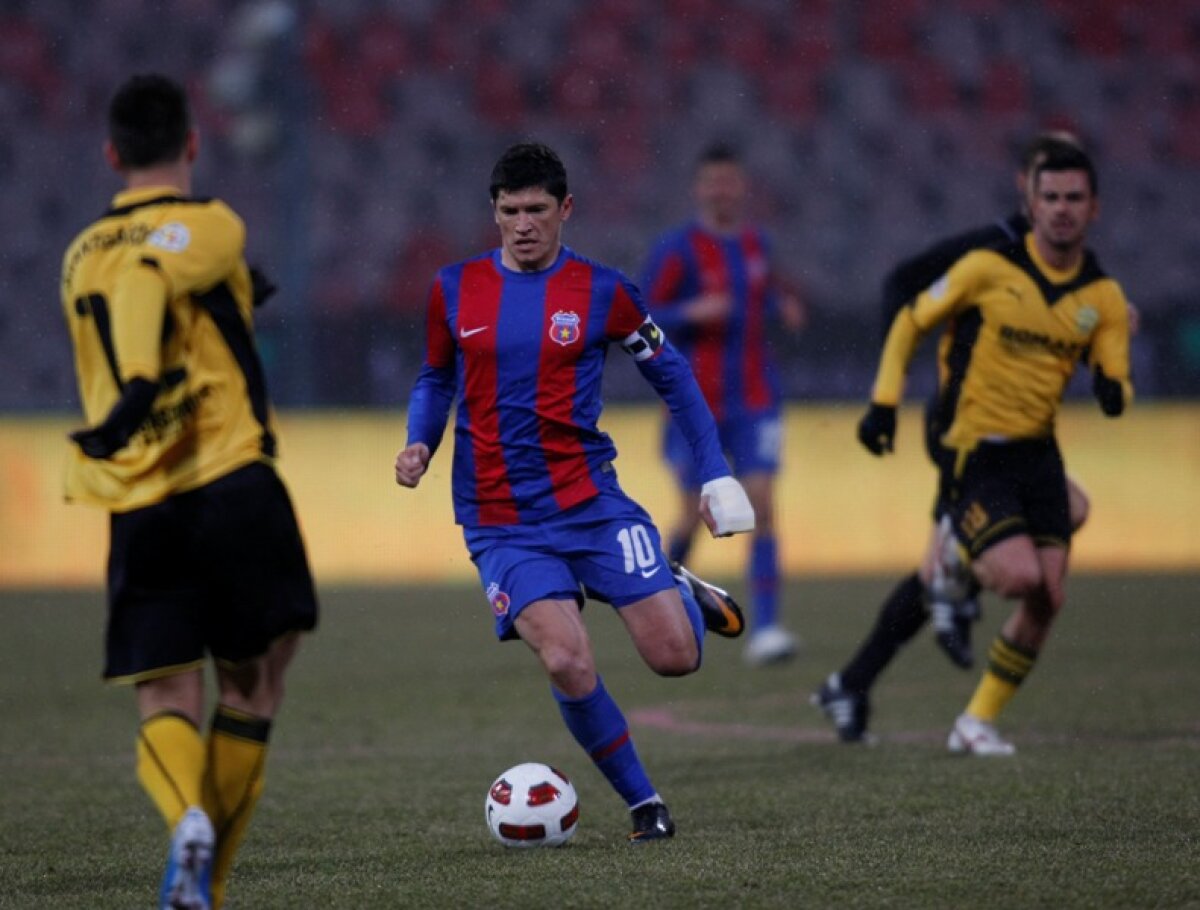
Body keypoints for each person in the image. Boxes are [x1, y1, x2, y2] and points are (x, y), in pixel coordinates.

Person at [394, 143, 756, 841]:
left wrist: (715, 472)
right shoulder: (452, 289)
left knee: (675, 659)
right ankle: (645, 804)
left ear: (565, 210)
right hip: (500, 520)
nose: (522, 224)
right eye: (508, 212)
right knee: (564, 655)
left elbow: (673, 375)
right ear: (493, 213)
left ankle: (680, 589)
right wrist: (421, 441)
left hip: (591, 505)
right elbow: (436, 377)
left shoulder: (604, 291)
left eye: (536, 210)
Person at [60, 74, 318, 908]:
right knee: (253, 686)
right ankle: (207, 856)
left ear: (110, 154)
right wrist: (145, 381)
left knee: (164, 695)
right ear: (193, 145)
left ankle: (187, 833)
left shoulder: (77, 255)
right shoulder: (209, 224)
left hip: (141, 500)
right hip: (232, 479)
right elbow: (152, 277)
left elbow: (148, 284)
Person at [850, 143, 1132, 755]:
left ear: (1094, 208)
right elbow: (910, 321)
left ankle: (974, 722)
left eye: (1073, 199)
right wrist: (883, 402)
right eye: (1050, 197)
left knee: (1048, 596)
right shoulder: (987, 268)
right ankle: (952, 553)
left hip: (1039, 453)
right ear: (1029, 203)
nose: (1061, 210)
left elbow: (1115, 371)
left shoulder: (1102, 298)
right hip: (972, 450)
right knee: (1019, 576)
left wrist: (1115, 388)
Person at [641, 143, 806, 667]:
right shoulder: (677, 249)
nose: (722, 190)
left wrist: (784, 306)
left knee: (762, 505)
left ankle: (768, 629)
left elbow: (768, 294)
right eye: (713, 181)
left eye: (730, 181)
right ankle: (657, 609)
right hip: (696, 404)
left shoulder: (758, 244)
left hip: (756, 399)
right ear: (699, 188)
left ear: (742, 187)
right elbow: (640, 316)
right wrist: (692, 310)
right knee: (694, 515)